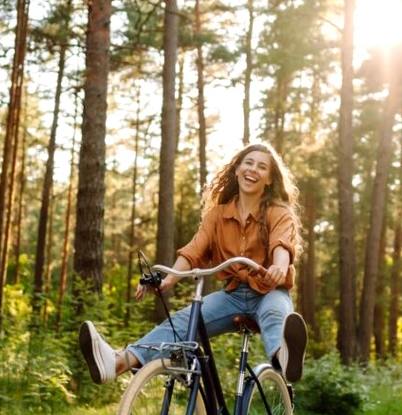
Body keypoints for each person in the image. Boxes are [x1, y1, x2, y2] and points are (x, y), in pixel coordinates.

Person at [79, 142, 309, 385]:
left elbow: (282, 245)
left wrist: (279, 268)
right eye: (248, 163)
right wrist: (168, 279)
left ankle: (284, 359)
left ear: (270, 179)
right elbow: (193, 252)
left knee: (276, 315)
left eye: (262, 167)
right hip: (232, 294)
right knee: (182, 323)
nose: (253, 169)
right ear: (238, 169)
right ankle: (117, 363)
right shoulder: (217, 216)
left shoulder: (278, 213)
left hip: (269, 290)